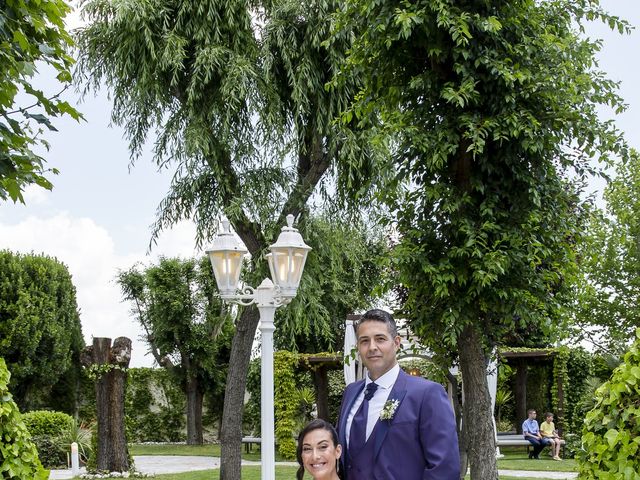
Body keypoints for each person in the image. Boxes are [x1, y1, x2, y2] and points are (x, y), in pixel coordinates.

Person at [337, 309, 460, 480]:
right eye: (364, 341)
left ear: (396, 343)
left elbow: (444, 468)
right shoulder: (351, 393)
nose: (372, 347)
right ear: (358, 347)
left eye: (380, 339)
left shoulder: (427, 394)